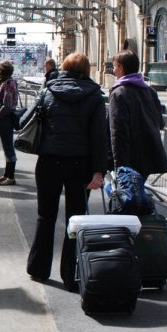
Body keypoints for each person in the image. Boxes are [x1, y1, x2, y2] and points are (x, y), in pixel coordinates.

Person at [25, 52, 107, 292]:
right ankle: (71, 275)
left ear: (64, 68)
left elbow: (27, 119)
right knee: (76, 218)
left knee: (45, 215)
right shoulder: (94, 96)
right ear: (86, 70)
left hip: (49, 161)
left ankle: (38, 269)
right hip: (81, 164)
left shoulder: (48, 91)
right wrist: (99, 171)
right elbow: (99, 137)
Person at [109, 51, 167, 180]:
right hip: (149, 152)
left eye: (114, 66)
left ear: (121, 67)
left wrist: (118, 164)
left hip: (129, 157)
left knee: (125, 191)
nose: (113, 71)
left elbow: (118, 130)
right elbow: (160, 122)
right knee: (136, 189)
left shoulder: (119, 93)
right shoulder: (150, 91)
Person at [0, 60, 19, 186]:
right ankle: (6, 175)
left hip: (6, 118)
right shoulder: (3, 81)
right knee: (6, 147)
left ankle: (11, 177)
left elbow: (7, 105)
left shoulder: (8, 83)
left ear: (2, 70)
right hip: (4, 118)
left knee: (8, 147)